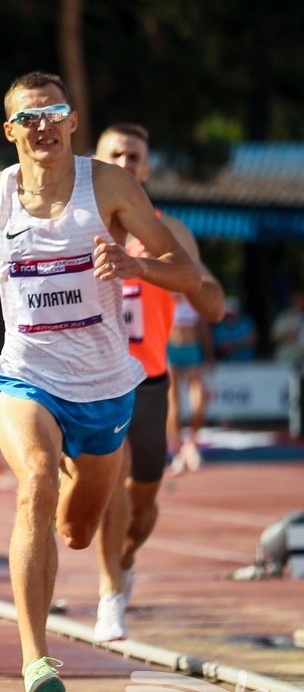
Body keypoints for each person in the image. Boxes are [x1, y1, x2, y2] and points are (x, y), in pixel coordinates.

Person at [0, 72, 201, 692]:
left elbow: (182, 267)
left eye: (55, 114)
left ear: (72, 123)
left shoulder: (111, 186)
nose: (43, 126)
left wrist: (134, 266)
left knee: (75, 529)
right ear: (10, 130)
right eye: (29, 118)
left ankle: (82, 491)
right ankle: (34, 655)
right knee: (35, 480)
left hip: (104, 385)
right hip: (27, 371)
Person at [90, 123, 225, 643]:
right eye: (115, 155)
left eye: (134, 157)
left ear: (145, 170)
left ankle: (122, 562)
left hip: (148, 383)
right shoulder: (74, 224)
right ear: (97, 164)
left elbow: (212, 303)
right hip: (90, 381)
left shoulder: (171, 232)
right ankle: (108, 598)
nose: (125, 164)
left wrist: (146, 267)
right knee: (107, 476)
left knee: (141, 505)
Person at [166, 291, 213, 473]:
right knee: (174, 408)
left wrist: (210, 355)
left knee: (200, 406)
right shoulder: (167, 295)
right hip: (172, 352)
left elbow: (204, 329)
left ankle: (191, 444)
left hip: (192, 352)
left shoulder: (194, 297)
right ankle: (177, 452)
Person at [211, 296, 257, 362]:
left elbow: (253, 340)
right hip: (228, 363)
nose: (231, 315)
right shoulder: (220, 326)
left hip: (249, 362)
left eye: (233, 312)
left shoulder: (246, 322)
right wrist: (243, 342)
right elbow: (222, 347)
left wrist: (233, 345)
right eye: (229, 313)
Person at [270, 288, 304, 364]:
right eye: (299, 300)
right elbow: (274, 338)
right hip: (287, 356)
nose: (301, 303)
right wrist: (291, 334)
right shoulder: (284, 316)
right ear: (293, 301)